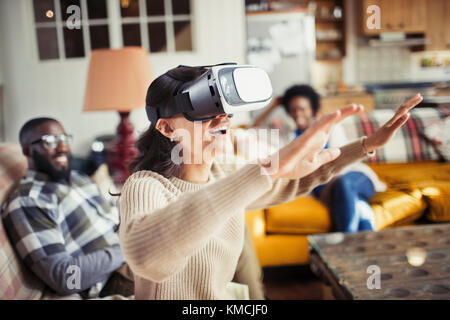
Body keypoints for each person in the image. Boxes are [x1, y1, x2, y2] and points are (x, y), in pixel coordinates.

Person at [118, 65, 422, 299]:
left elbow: (294, 178)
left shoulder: (226, 171)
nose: (221, 121)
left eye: (224, 112)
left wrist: (367, 144)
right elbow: (149, 258)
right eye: (204, 112)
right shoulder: (145, 186)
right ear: (167, 127)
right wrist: (263, 171)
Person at [1, 118, 134, 298]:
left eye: (64, 139)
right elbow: (65, 277)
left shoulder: (79, 178)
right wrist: (131, 247)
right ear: (27, 150)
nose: (62, 147)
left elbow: (115, 215)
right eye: (50, 141)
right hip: (115, 277)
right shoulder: (28, 201)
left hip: (133, 254)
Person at [281, 84, 387, 232]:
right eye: (293, 110)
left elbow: (346, 158)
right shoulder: (287, 136)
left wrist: (332, 183)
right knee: (358, 207)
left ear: (312, 109)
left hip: (354, 177)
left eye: (302, 109)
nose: (298, 114)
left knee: (344, 184)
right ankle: (359, 248)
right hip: (322, 187)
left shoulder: (330, 128)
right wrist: (273, 105)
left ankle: (346, 242)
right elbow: (252, 129)